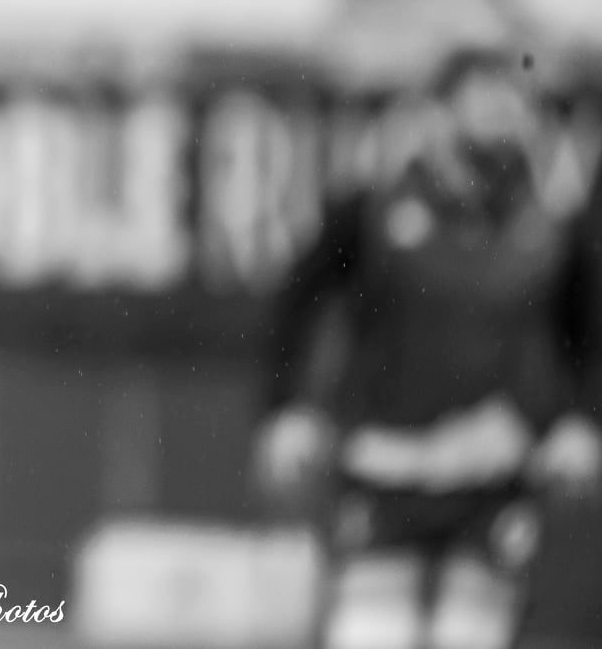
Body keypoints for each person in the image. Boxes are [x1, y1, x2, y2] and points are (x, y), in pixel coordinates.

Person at [253, 47, 602, 649]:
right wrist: (286, 408)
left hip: (494, 481)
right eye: (484, 103)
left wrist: (582, 423)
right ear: (438, 114)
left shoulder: (552, 227)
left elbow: (587, 332)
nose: (503, 120)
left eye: (515, 106)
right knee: (372, 634)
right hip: (382, 470)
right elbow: (297, 303)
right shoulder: (375, 209)